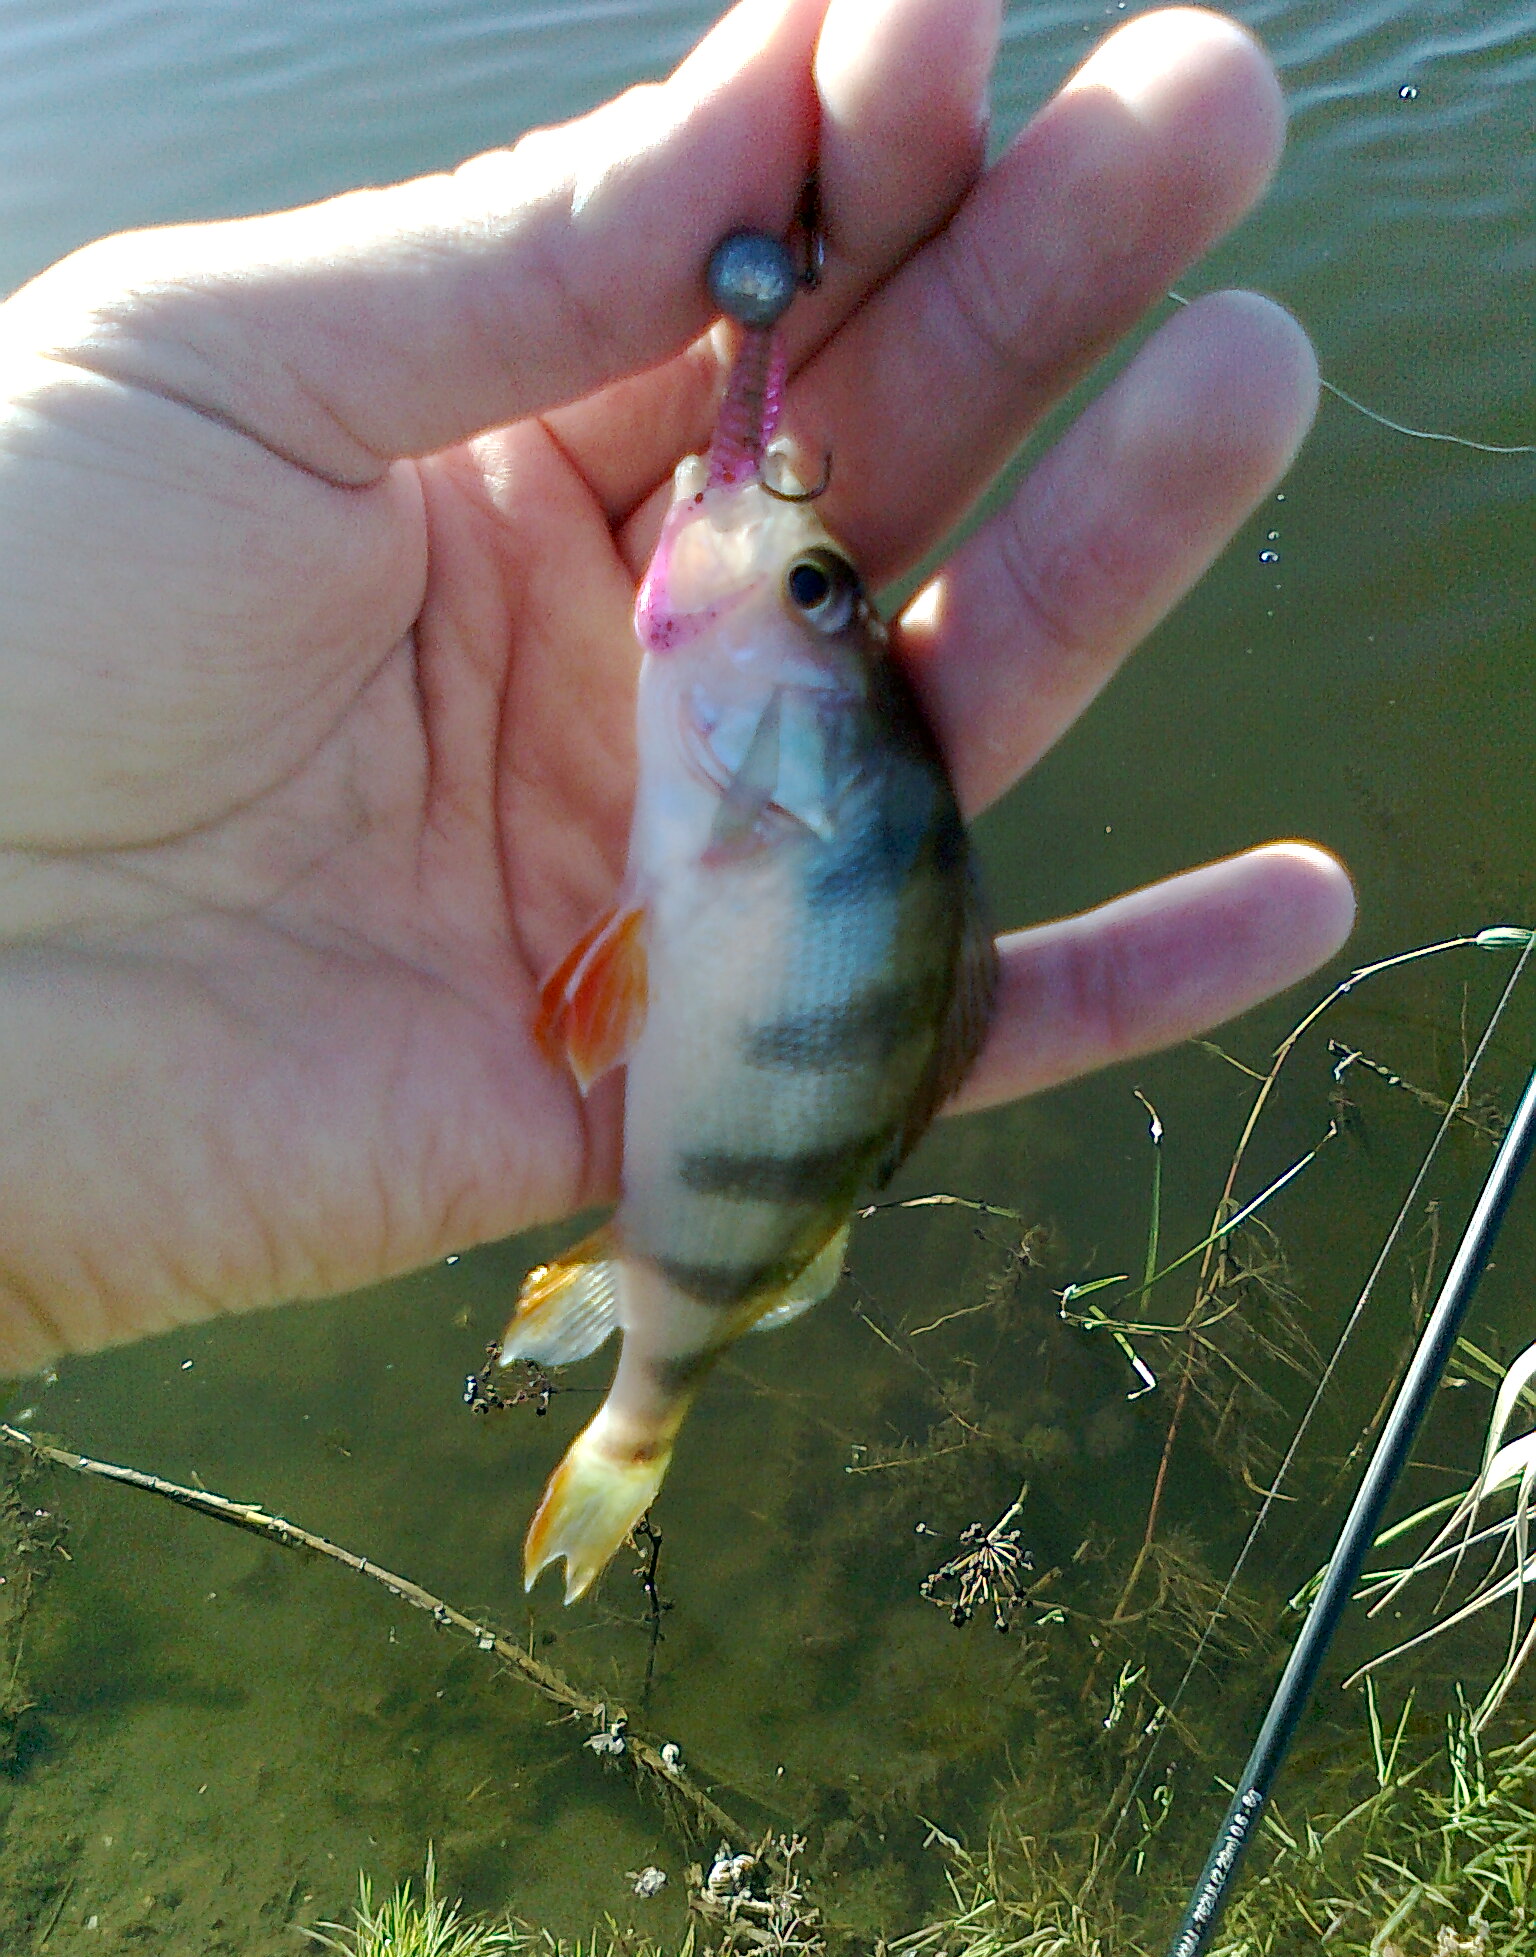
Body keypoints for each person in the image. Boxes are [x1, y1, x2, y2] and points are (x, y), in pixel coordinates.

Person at [0, 0, 1352, 1378]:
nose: (795, 567)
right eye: (820, 588)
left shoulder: (761, 776)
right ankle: (647, 1394)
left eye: (812, 593)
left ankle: (640, 1399)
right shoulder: (767, 778)